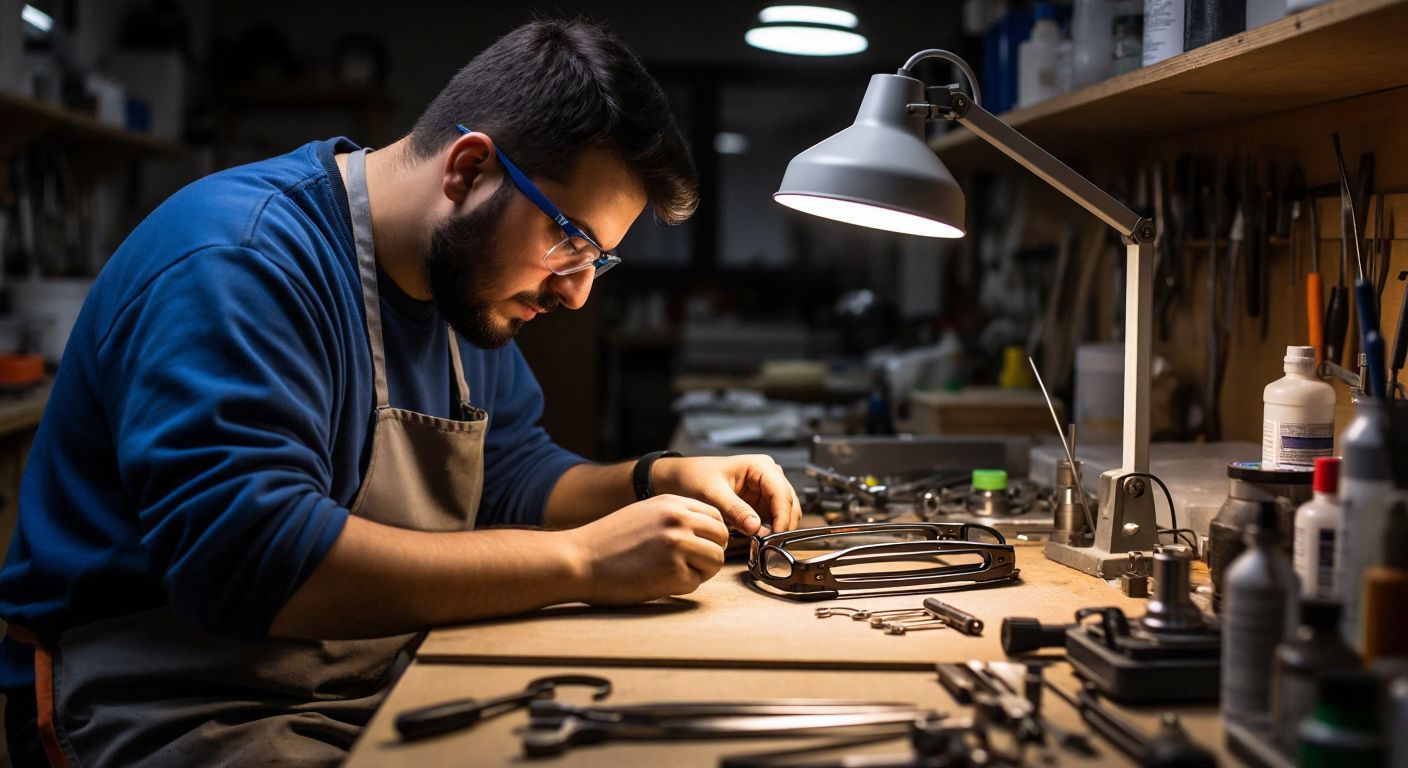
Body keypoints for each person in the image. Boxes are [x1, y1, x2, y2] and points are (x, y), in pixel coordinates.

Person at [0, 19, 801, 766]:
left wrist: (654, 478)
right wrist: (582, 561)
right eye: (569, 240)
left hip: (361, 677)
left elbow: (511, 475)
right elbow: (250, 562)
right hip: (175, 701)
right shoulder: (240, 260)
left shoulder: (459, 286)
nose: (576, 292)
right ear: (469, 168)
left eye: (598, 260)